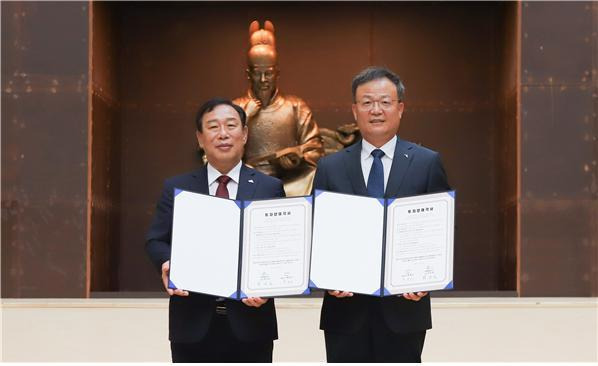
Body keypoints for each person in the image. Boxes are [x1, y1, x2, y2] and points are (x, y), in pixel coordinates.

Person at [312, 66, 451, 362]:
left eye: (385, 102)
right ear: (354, 110)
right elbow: (317, 233)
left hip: (404, 311)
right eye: (367, 102)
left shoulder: (426, 163)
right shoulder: (330, 167)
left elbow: (441, 232)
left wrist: (427, 280)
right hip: (344, 312)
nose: (376, 110)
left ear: (400, 109)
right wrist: (326, 276)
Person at [145, 98, 285, 362]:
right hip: (191, 325)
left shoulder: (269, 188)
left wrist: (269, 287)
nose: (223, 134)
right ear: (200, 138)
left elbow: (279, 247)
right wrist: (166, 262)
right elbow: (155, 239)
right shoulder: (177, 187)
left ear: (244, 134)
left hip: (252, 324)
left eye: (231, 125)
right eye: (213, 127)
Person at [233, 20, 324, 196]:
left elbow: (315, 148)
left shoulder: (295, 106)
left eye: (268, 73)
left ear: (277, 73)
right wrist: (243, 117)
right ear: (248, 74)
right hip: (247, 182)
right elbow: (216, 151)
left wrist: (298, 157)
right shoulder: (236, 108)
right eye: (257, 73)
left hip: (289, 183)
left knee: (313, 177)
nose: (263, 80)